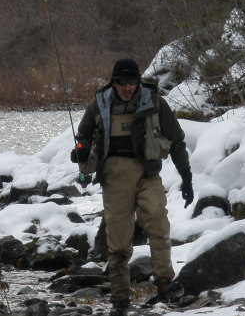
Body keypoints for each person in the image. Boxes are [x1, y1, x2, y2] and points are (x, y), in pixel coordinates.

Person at [71, 58, 194, 316]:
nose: (126, 87)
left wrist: (186, 176)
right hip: (114, 175)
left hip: (147, 173)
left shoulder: (155, 102)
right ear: (113, 82)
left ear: (138, 81)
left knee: (159, 225)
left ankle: (165, 286)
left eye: (131, 81)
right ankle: (120, 300)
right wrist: (80, 152)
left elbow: (177, 140)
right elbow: (83, 135)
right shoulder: (100, 103)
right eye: (121, 82)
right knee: (117, 243)